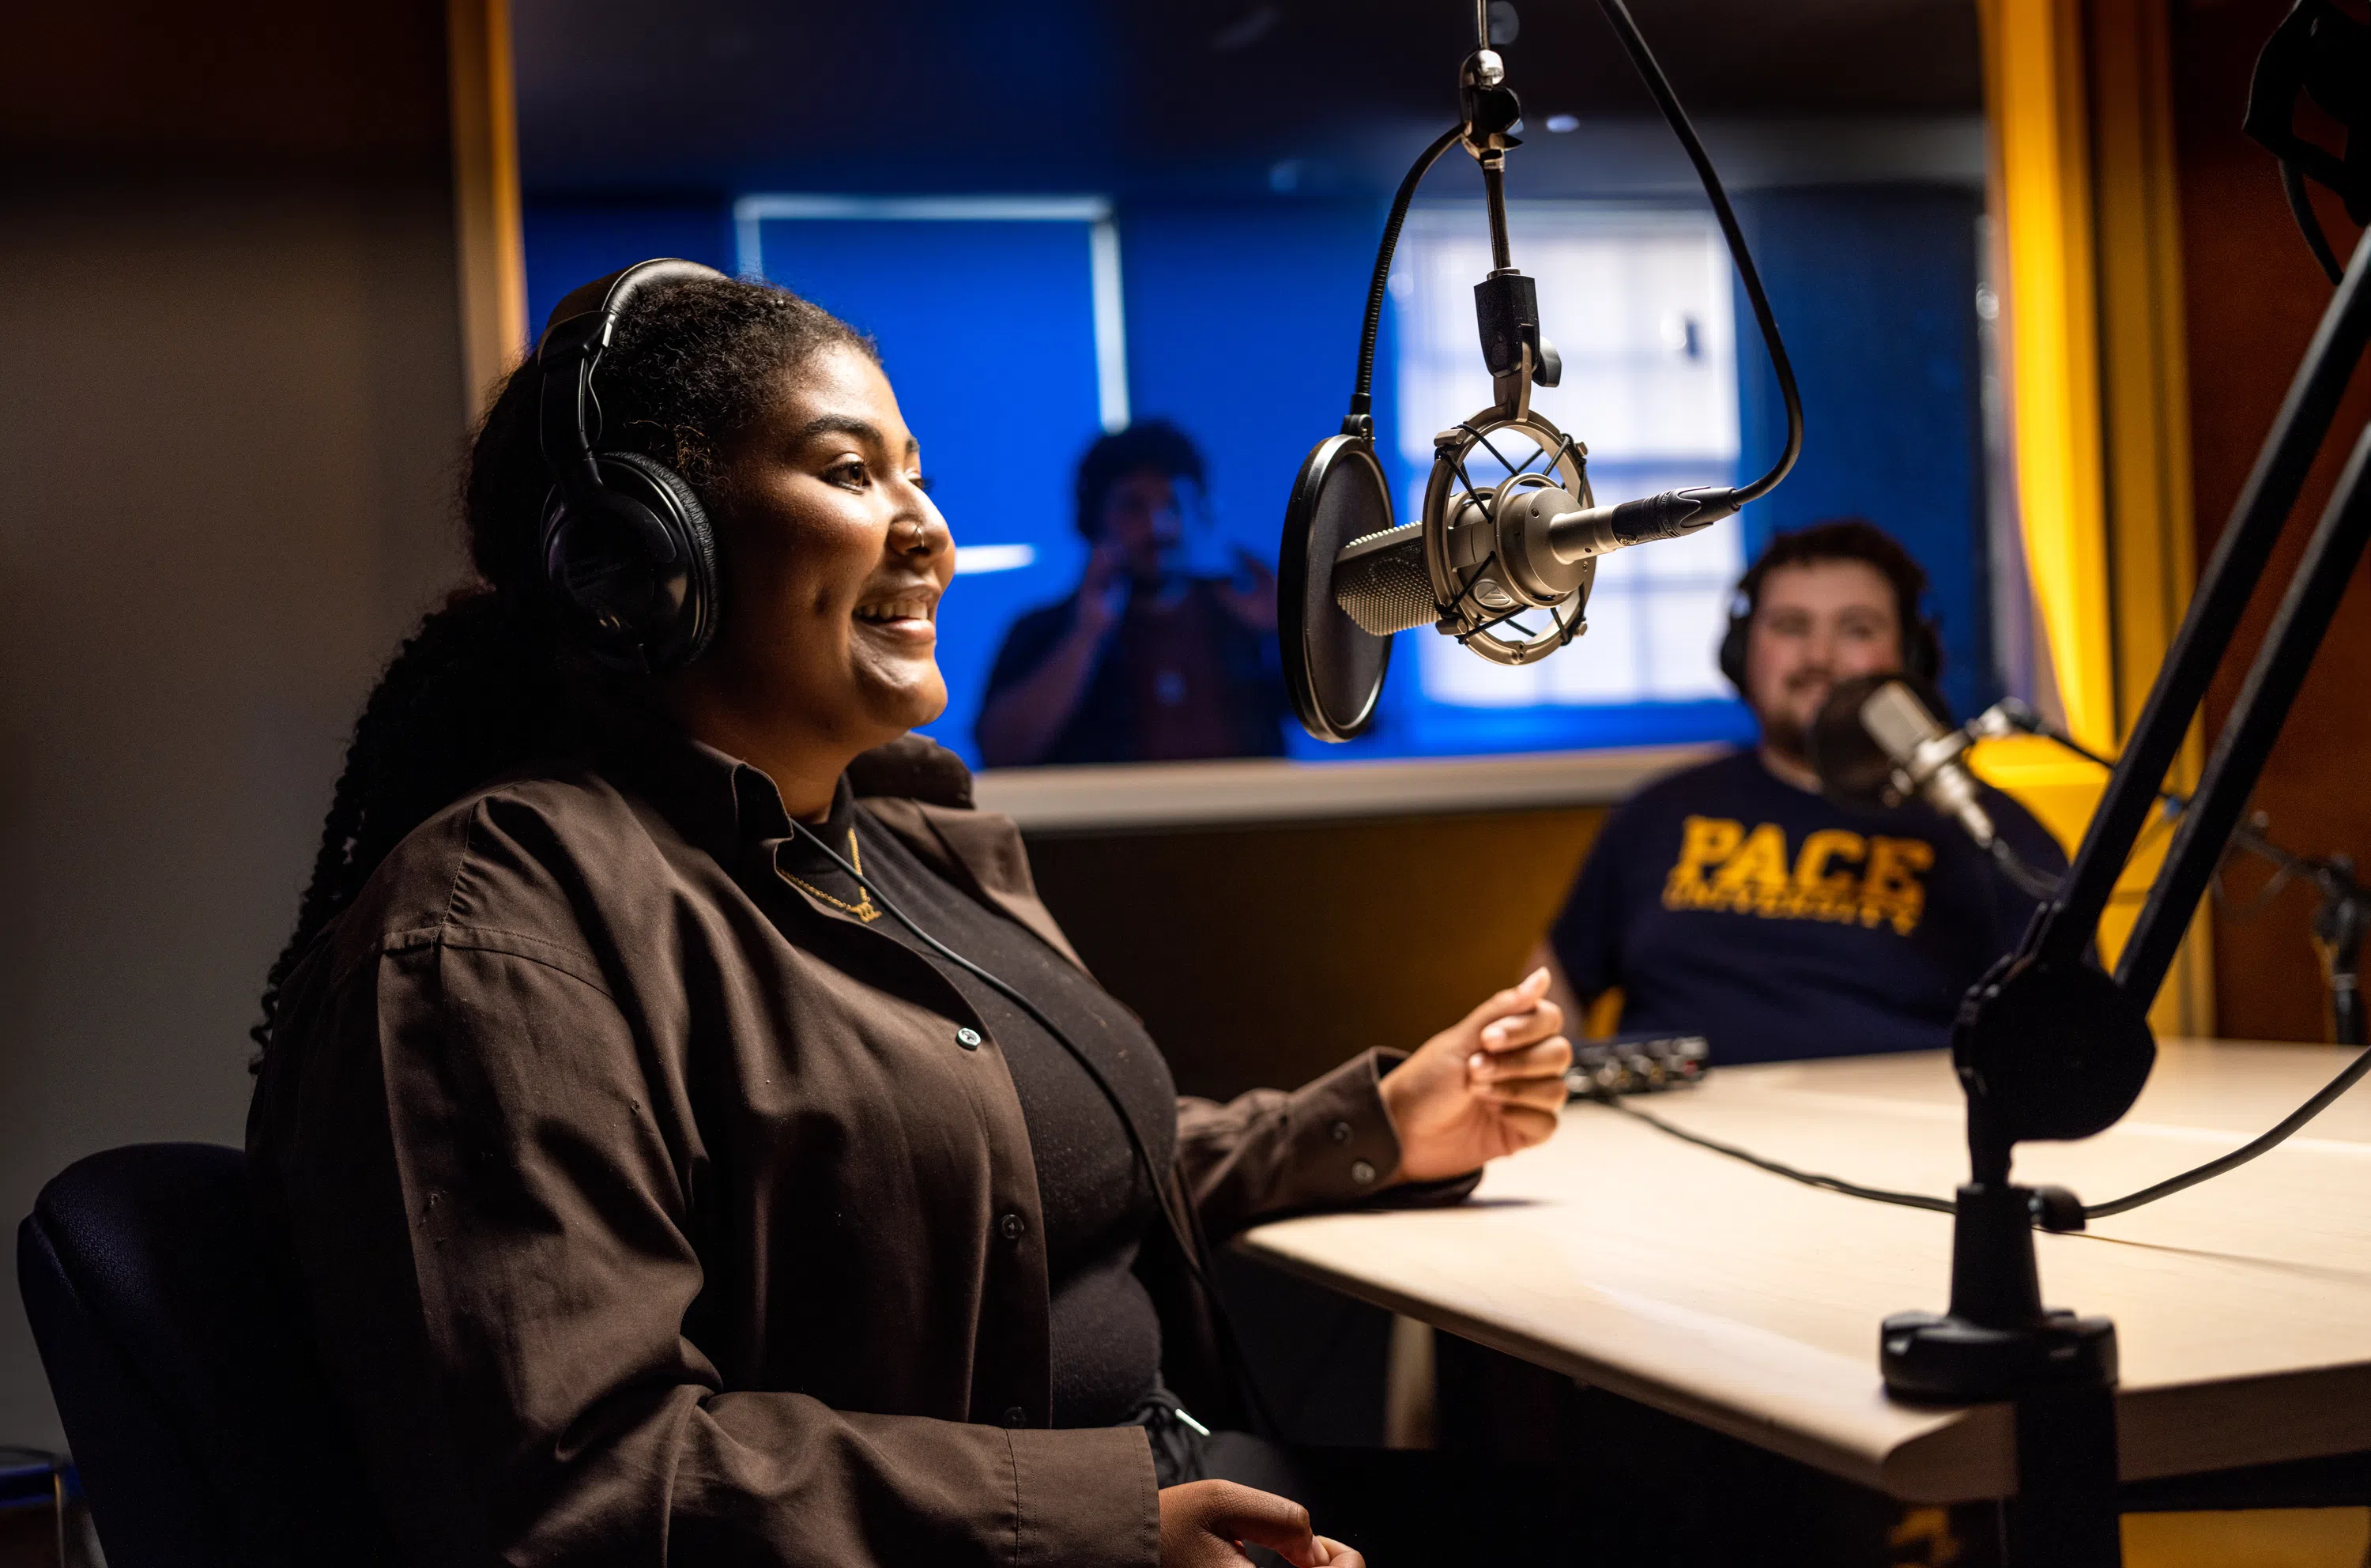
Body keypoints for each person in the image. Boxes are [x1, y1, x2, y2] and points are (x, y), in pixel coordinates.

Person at [247, 268, 1574, 1568]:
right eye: (848, 472)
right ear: (647, 554)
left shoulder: (902, 847)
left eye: (918, 472)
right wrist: (1101, 1531)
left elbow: (1033, 1173)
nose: (927, 525)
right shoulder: (498, 936)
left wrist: (1377, 1123)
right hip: (1072, 1537)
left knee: (1651, 1509)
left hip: (1177, 1488)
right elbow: (578, 1485)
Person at [1530, 519, 2067, 1065]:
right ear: (1743, 653)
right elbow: (1552, 995)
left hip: (1898, 1135)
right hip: (1665, 1132)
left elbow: (2067, 1043)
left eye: (1856, 629)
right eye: (1791, 626)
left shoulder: (1987, 830)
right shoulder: (1657, 812)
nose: (1819, 657)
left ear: (1910, 655)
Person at [975, 420, 1291, 766]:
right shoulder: (1046, 631)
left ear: (1201, 513)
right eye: (1133, 508)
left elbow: (1354, 726)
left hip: (1252, 817)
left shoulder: (1245, 618)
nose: (1157, 527)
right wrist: (1086, 636)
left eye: (1173, 505)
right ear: (1093, 520)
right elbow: (999, 753)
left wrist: (1290, 636)